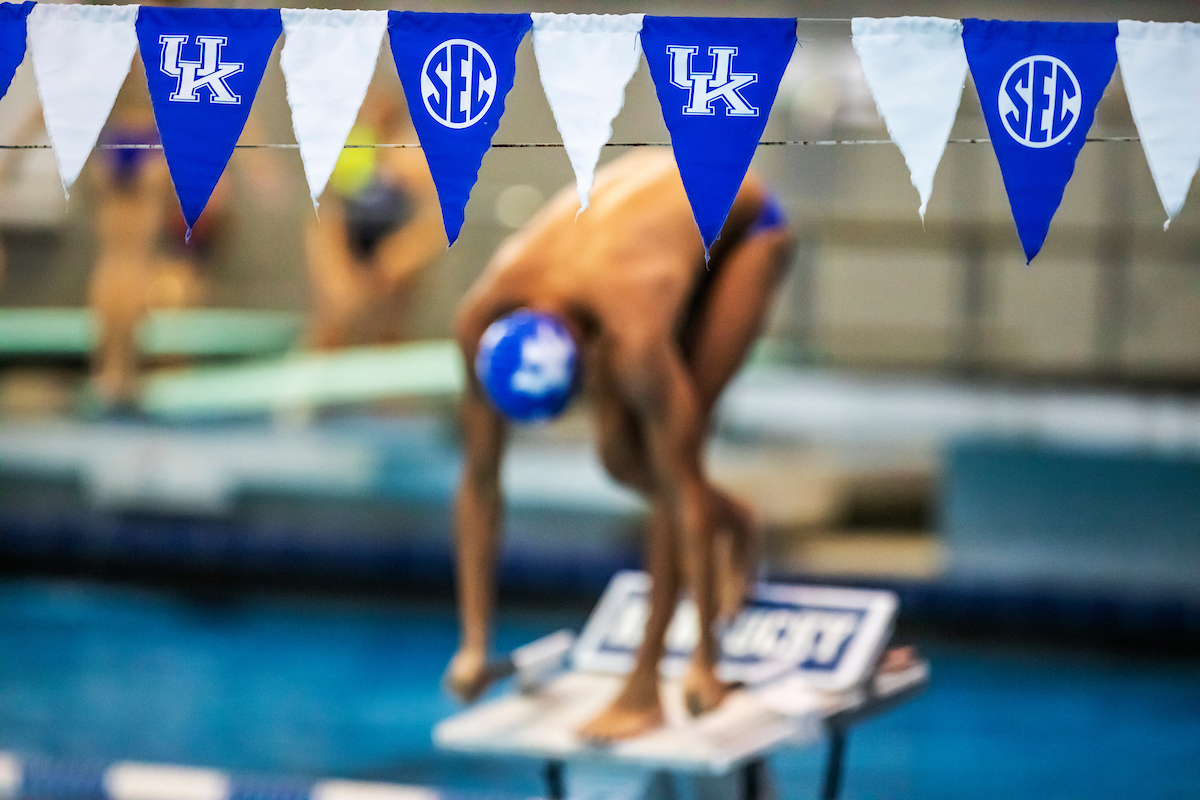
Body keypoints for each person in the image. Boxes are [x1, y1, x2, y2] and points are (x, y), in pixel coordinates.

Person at [446, 150, 793, 741]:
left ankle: (644, 684)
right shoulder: (479, 323)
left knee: (671, 460)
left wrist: (703, 663)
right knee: (620, 461)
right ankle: (737, 521)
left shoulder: (631, 330)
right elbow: (480, 482)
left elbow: (678, 488)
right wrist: (473, 643)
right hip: (647, 232)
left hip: (744, 229)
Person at [305, 87, 446, 349]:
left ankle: (390, 384)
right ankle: (311, 381)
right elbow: (326, 216)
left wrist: (401, 257)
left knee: (387, 331)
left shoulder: (413, 155)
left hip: (392, 244)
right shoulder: (349, 146)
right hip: (350, 240)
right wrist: (336, 263)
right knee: (335, 321)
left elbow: (434, 222)